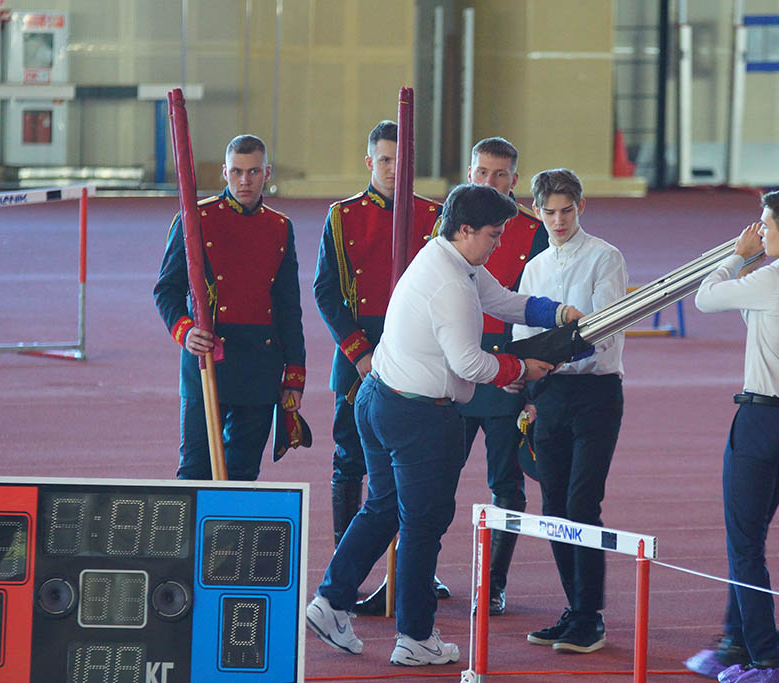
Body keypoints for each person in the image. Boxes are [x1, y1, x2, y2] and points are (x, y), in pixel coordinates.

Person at [305, 183, 580, 666]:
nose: (499, 244)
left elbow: (503, 299)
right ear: (467, 229)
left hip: (378, 398)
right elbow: (470, 364)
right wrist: (522, 370)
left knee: (384, 507)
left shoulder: (447, 258)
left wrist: (555, 311)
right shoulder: (452, 283)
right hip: (415, 414)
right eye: (494, 235)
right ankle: (414, 636)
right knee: (423, 523)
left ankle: (330, 601)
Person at [685, 187, 779, 683]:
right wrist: (754, 261)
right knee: (749, 539)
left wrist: (736, 257)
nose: (758, 233)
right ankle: (735, 642)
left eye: (766, 226)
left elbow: (706, 299)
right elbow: (760, 316)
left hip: (762, 422)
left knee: (745, 545)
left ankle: (767, 662)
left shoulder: (775, 277)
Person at [513, 168, 627, 654]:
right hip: (550, 395)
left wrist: (550, 348)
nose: (558, 220)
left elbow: (601, 333)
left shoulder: (606, 258)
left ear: (581, 207)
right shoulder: (535, 266)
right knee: (554, 506)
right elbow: (522, 336)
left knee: (584, 504)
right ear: (536, 212)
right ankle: (575, 609)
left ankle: (592, 617)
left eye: (566, 210)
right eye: (549, 212)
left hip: (596, 392)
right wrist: (529, 389)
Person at [313, 120, 442, 549]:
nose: (392, 169)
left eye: (400, 160)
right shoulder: (342, 216)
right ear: (370, 162)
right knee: (349, 458)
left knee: (413, 462)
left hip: (416, 350)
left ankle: (412, 561)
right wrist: (359, 353)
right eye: (384, 160)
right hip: (359, 353)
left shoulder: (433, 217)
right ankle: (344, 560)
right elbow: (326, 292)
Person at [153, 134, 305, 481]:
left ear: (267, 172)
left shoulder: (280, 228)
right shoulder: (195, 220)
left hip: (260, 366)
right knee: (194, 472)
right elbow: (167, 289)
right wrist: (185, 331)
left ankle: (230, 539)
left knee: (244, 474)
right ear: (224, 172)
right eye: (237, 172)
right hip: (208, 362)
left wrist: (294, 373)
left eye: (253, 172)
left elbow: (288, 307)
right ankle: (192, 539)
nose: (244, 181)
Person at [459, 137, 548, 615]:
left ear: (515, 180)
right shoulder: (449, 220)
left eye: (499, 175)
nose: (489, 182)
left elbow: (532, 314)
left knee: (507, 486)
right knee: (429, 481)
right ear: (469, 172)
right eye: (481, 172)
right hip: (455, 372)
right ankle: (416, 575)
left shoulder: (533, 232)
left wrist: (529, 385)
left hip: (507, 375)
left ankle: (493, 584)